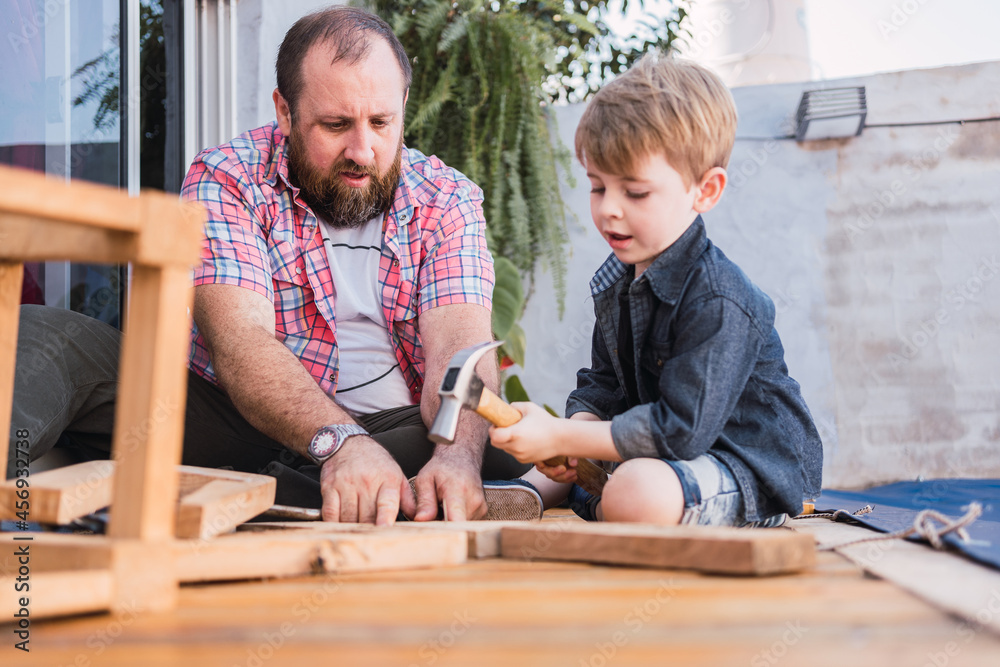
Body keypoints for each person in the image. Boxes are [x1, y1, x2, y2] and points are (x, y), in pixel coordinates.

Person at [8, 6, 547, 525]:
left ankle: (273, 492)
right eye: (336, 125)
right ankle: (342, 492)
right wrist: (341, 442)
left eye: (382, 122)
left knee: (498, 440)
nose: (363, 150)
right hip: (233, 416)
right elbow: (241, 344)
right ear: (285, 112)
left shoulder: (447, 199)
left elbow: (461, 354)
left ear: (404, 103)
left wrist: (456, 459)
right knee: (37, 335)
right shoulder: (228, 177)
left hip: (394, 429)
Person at [489, 54, 823, 527]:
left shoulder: (719, 297)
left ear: (704, 191)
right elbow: (602, 387)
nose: (609, 210)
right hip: (659, 454)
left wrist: (566, 436)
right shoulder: (618, 281)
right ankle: (536, 490)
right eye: (597, 187)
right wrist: (567, 438)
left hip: (745, 467)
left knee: (638, 491)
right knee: (609, 465)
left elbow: (680, 432)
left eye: (635, 192)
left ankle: (599, 498)